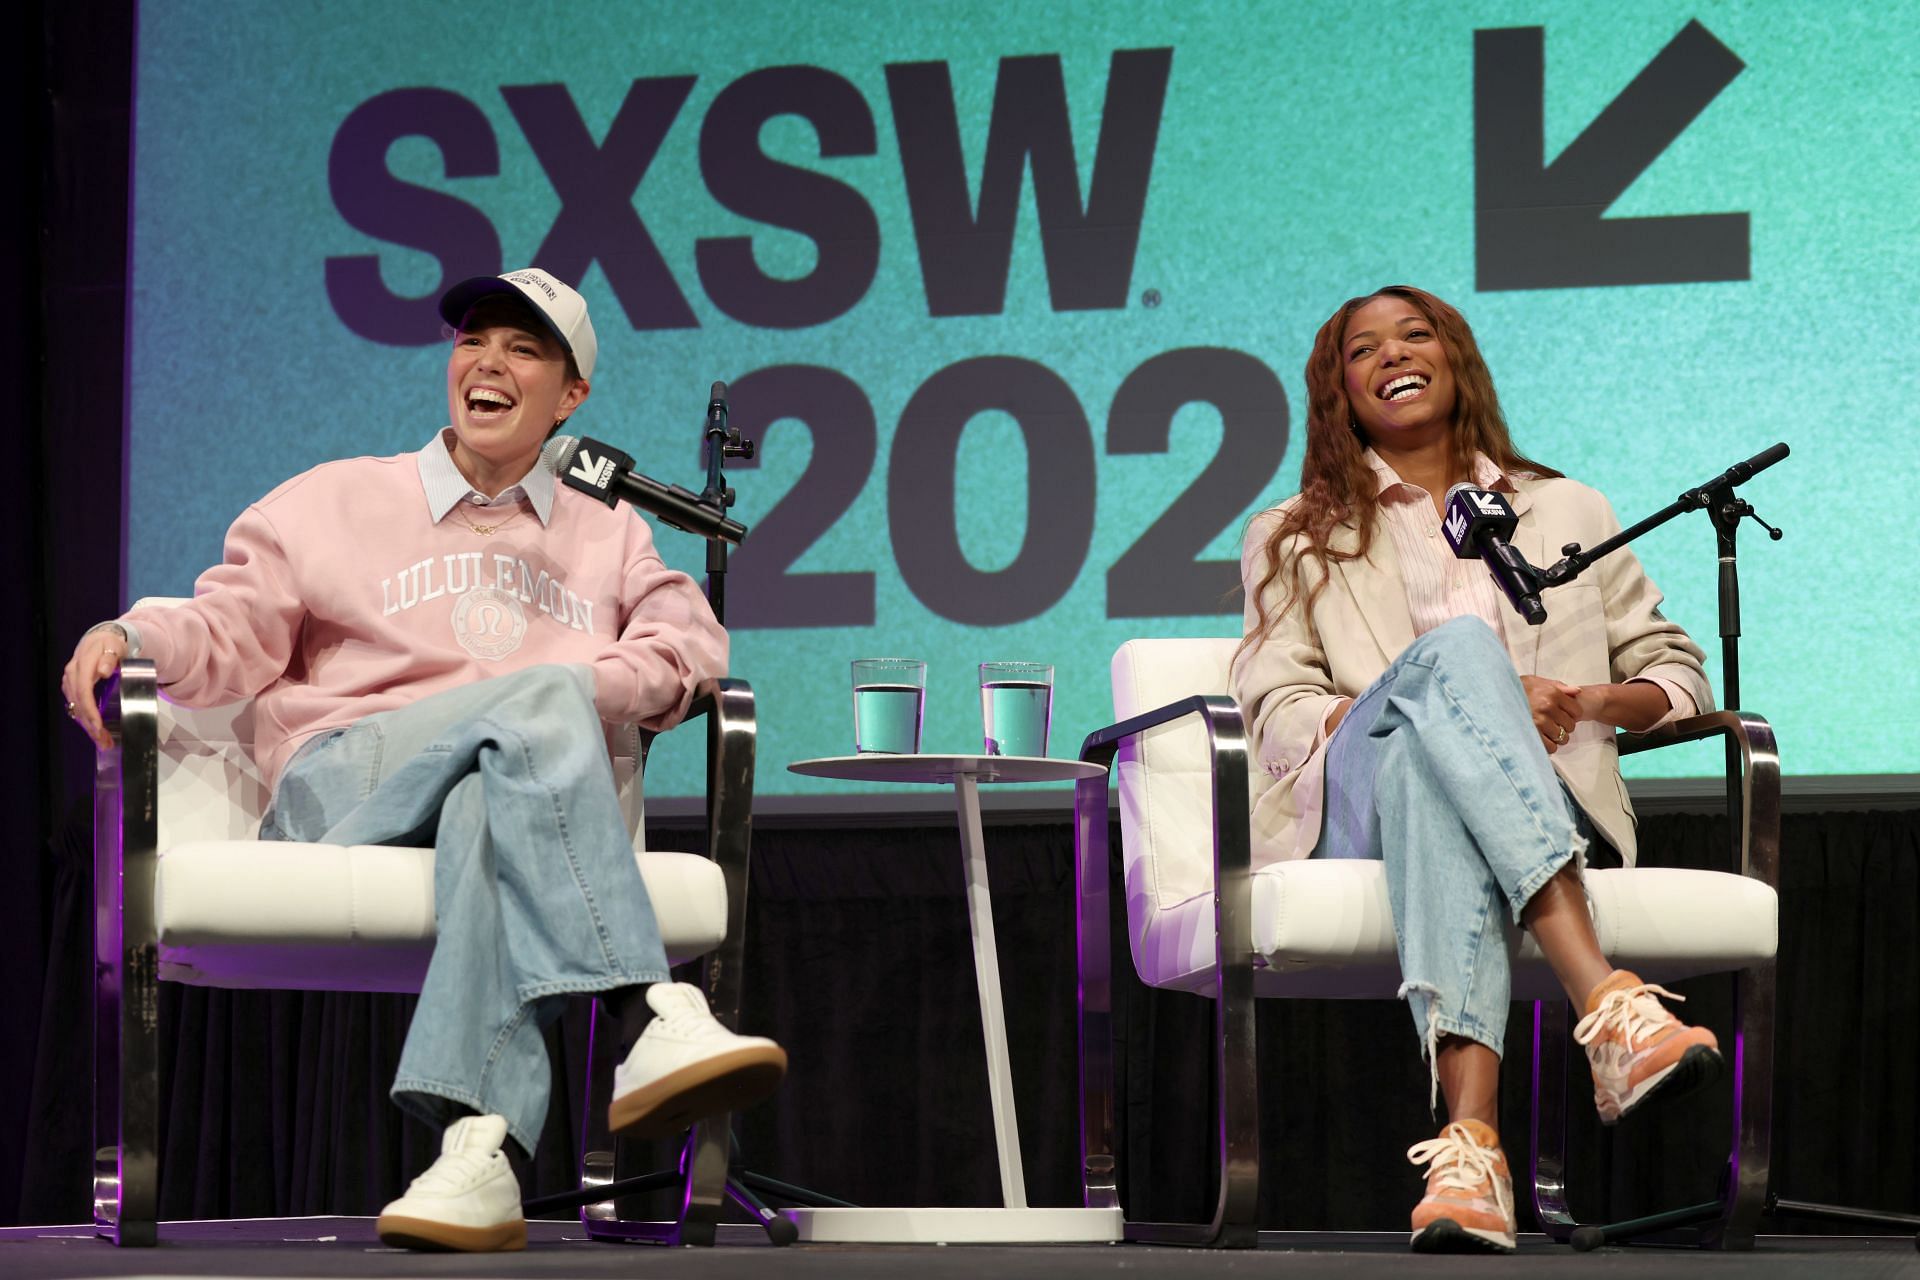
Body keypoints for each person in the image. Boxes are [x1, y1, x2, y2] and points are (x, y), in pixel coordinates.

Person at [59, 268, 786, 1253]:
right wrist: (127, 629)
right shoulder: (332, 500)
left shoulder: (610, 529)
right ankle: (649, 1005)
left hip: (502, 797)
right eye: (471, 339)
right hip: (339, 785)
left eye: (524, 349)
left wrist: (577, 696)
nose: (486, 362)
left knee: (494, 793)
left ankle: (475, 1151)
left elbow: (688, 648)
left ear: (571, 398)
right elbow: (222, 627)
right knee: (537, 703)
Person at [1230, 285, 1721, 1255]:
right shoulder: (1292, 532)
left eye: (1415, 335)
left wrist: (1576, 700)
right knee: (1443, 675)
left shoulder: (1564, 508)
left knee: (1431, 766)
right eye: (1363, 348)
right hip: (1353, 801)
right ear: (1339, 391)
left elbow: (1680, 677)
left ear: (1455, 357)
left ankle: (1472, 1144)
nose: (1392, 354)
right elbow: (1276, 704)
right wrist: (1441, 689)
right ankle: (1606, 1002)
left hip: (1534, 799)